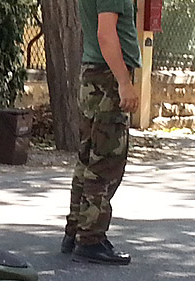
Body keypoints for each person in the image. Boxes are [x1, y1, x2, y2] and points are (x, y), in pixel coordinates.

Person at [61, 0, 141, 265]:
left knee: (87, 158)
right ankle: (91, 238)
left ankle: (76, 230)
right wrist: (123, 82)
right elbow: (106, 34)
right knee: (105, 161)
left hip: (94, 74)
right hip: (107, 77)